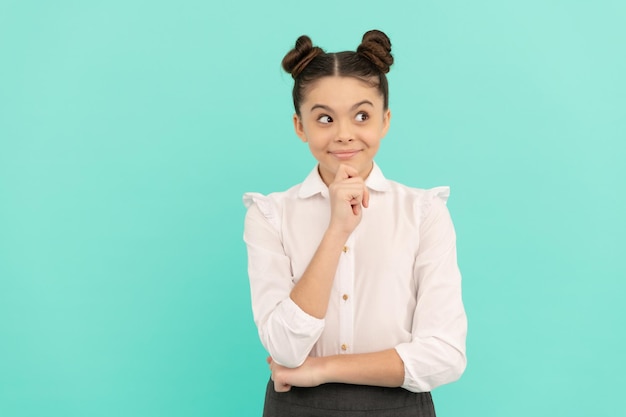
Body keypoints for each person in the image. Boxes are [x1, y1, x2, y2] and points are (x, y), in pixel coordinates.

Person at [242, 29, 467, 417]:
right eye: (325, 118)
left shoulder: (424, 212)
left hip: (398, 407)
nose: (344, 134)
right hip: (297, 408)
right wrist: (337, 231)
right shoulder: (269, 215)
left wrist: (320, 369)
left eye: (362, 115)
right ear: (300, 126)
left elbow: (444, 355)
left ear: (385, 121)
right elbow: (284, 346)